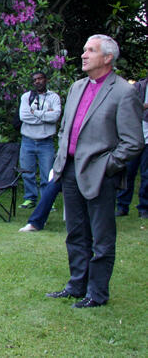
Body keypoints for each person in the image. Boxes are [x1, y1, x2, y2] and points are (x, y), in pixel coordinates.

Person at [45, 35, 143, 308]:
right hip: (70, 170)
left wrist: (107, 165)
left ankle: (97, 293)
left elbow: (133, 142)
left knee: (101, 237)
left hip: (100, 174)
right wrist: (62, 157)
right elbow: (66, 127)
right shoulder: (77, 87)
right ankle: (77, 286)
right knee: (75, 232)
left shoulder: (124, 92)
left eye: (91, 50)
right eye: (84, 49)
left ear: (108, 58)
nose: (84, 54)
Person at [17, 71, 61, 209]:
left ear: (46, 80)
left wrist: (35, 113)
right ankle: (30, 198)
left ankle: (48, 200)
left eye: (40, 78)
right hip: (28, 140)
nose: (38, 81)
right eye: (35, 79)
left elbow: (55, 117)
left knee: (47, 173)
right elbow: (24, 116)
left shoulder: (54, 97)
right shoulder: (26, 97)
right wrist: (45, 116)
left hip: (45, 141)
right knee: (27, 172)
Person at [115, 72, 148, 218]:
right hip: (133, 138)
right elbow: (128, 107)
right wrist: (143, 106)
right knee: (127, 173)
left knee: (146, 175)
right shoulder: (137, 87)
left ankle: (144, 208)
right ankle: (122, 206)